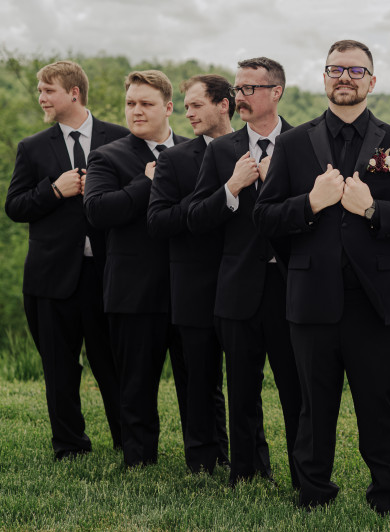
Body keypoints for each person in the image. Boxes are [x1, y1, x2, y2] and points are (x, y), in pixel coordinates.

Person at [253, 40, 390, 514]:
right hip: (311, 298)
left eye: (356, 70)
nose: (345, 77)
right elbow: (265, 218)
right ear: (324, 78)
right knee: (315, 407)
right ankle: (314, 494)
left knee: (378, 406)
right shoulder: (294, 144)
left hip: (376, 304)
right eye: (336, 69)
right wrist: (311, 203)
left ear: (372, 82)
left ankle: (389, 497)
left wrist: (374, 209)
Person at [186, 57, 301, 487]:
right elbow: (196, 217)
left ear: (276, 92)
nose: (240, 97)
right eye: (238, 89)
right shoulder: (221, 151)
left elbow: (317, 216)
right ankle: (247, 472)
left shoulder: (305, 144)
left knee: (296, 391)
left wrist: (276, 187)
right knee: (241, 390)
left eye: (250, 88)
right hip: (237, 288)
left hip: (293, 285)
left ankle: (302, 475)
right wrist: (231, 188)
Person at [5, 60, 127, 459]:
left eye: (48, 90)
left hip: (107, 273)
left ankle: (129, 443)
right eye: (39, 90)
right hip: (51, 278)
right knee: (59, 368)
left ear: (73, 93)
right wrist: (54, 191)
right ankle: (70, 445)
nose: (41, 97)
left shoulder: (121, 139)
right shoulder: (32, 148)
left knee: (112, 365)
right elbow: (15, 207)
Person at [83, 70, 188, 467]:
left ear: (168, 107)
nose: (137, 111)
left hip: (188, 286)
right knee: (136, 383)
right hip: (133, 289)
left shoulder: (198, 151)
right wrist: (147, 184)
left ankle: (206, 455)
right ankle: (140, 457)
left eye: (146, 103)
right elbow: (96, 210)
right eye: (131, 103)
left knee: (199, 382)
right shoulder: (107, 156)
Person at [147, 74, 233, 473]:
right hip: (193, 285)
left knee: (246, 382)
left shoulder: (253, 151)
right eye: (185, 107)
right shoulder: (174, 160)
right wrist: (219, 199)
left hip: (243, 283)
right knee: (199, 378)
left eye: (196, 105)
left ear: (224, 105)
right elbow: (159, 221)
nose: (188, 114)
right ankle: (203, 460)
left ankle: (248, 459)